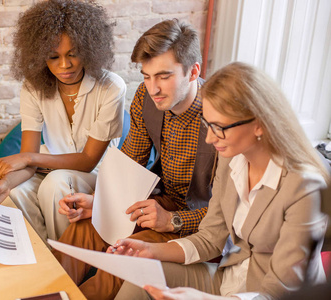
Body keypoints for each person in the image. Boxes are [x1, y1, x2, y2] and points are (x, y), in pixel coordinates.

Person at [109, 62, 330, 300]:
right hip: (230, 278)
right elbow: (211, 237)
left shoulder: (305, 187)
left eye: (219, 127)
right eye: (207, 125)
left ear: (259, 123)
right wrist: (152, 251)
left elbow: (280, 291)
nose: (210, 138)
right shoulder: (231, 158)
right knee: (142, 276)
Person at [54, 20, 217, 299]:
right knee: (82, 227)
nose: (153, 88)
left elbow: (227, 215)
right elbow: (129, 163)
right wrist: (102, 202)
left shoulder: (219, 119)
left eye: (164, 76)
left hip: (198, 222)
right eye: (146, 76)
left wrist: (172, 220)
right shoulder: (145, 98)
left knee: (125, 253)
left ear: (193, 72)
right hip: (157, 201)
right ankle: (46, 291)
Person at [0, 0, 126, 243]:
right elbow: (28, 158)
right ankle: (44, 256)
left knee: (56, 185)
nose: (64, 65)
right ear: (39, 56)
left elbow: (88, 161)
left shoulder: (111, 87)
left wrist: (28, 158)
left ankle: (67, 258)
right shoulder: (33, 88)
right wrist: (5, 183)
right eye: (53, 56)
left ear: (89, 48)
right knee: (15, 193)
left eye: (73, 54)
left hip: (95, 173)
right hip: (46, 166)